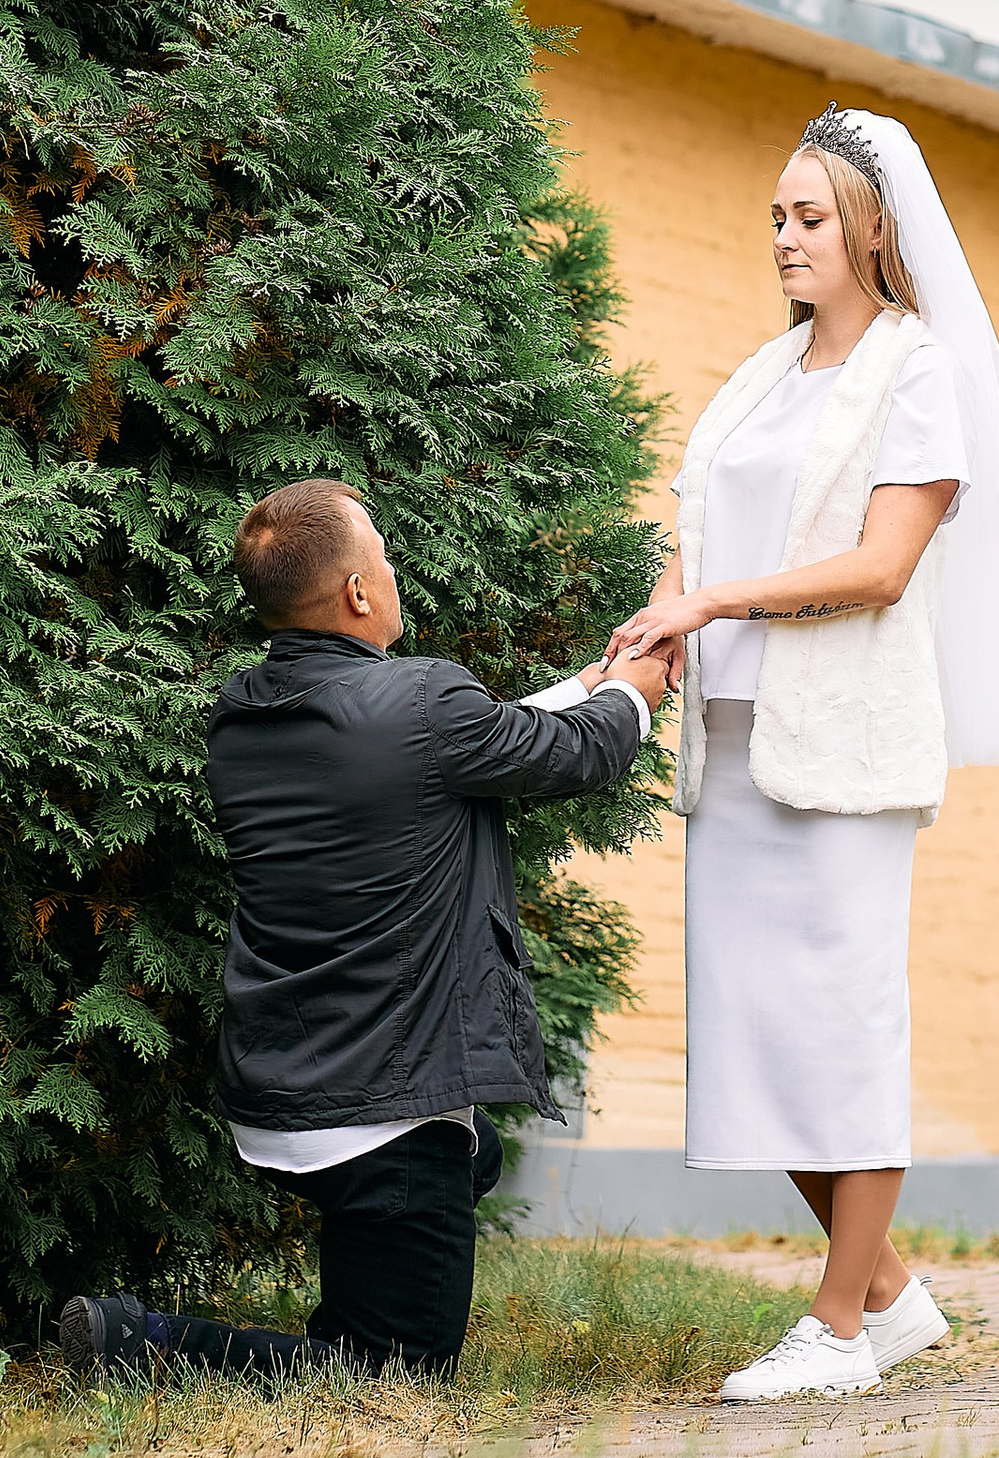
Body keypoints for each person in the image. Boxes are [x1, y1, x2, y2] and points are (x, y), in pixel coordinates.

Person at [602, 104, 999, 1403]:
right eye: (777, 219)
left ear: (869, 231)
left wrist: (718, 603)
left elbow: (882, 565)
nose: (787, 239)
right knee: (757, 1033)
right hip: (736, 747)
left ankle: (838, 1328)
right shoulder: (761, 374)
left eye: (810, 219)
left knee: (845, 1030)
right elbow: (703, 529)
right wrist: (660, 617)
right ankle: (895, 1297)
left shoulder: (919, 373)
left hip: (848, 746)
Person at [56, 478, 668, 1384]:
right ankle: (132, 1341)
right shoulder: (418, 705)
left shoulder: (243, 713)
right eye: (381, 554)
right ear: (356, 592)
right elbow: (574, 752)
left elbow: (477, 738)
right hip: (387, 1104)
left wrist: (589, 679)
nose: (391, 570)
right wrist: (632, 694)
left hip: (292, 1075)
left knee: (465, 1160)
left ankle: (424, 1204)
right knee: (394, 1371)